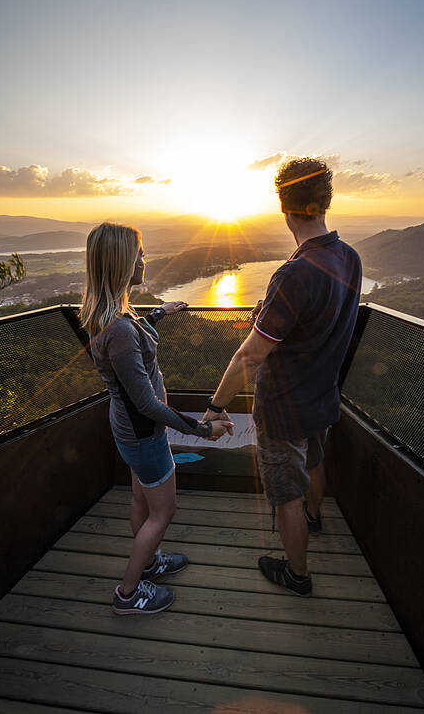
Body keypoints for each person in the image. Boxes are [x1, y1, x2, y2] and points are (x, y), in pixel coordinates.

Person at [203, 158, 361, 596]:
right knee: (313, 461)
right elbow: (323, 321)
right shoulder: (348, 257)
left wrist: (216, 406)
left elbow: (248, 358)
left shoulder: (294, 274)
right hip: (322, 397)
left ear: (284, 208)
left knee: (286, 490)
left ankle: (297, 574)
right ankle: (315, 520)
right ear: (324, 203)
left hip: (284, 407)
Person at [80, 222, 233, 615]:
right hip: (144, 434)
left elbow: (130, 353)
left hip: (129, 431)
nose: (145, 261)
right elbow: (147, 403)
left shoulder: (115, 318)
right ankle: (129, 593)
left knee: (140, 498)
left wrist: (157, 315)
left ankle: (150, 563)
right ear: (121, 263)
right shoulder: (119, 329)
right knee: (164, 511)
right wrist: (202, 430)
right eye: (140, 255)